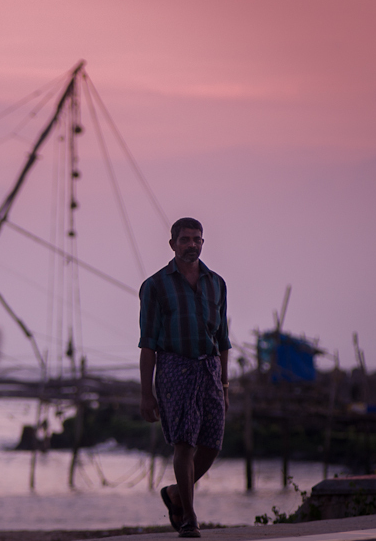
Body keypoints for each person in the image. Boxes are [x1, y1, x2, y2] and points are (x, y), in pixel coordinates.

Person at [139, 217, 230, 538]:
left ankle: (176, 493)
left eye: (197, 239)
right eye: (185, 239)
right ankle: (189, 517)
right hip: (174, 368)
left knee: (212, 443)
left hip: (209, 370)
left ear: (203, 243)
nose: (192, 245)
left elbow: (223, 339)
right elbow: (147, 343)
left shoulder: (216, 283)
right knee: (184, 443)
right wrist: (146, 393)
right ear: (172, 244)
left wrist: (225, 383)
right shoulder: (155, 285)